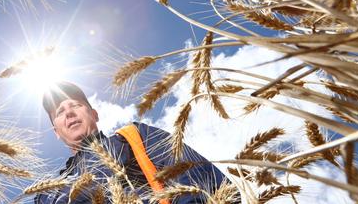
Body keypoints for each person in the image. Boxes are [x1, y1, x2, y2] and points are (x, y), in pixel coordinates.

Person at [34, 81, 233, 204]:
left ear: (94, 114)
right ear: (56, 131)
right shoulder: (47, 194)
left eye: (76, 105)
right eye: (59, 112)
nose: (69, 112)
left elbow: (192, 174)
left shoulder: (133, 137)